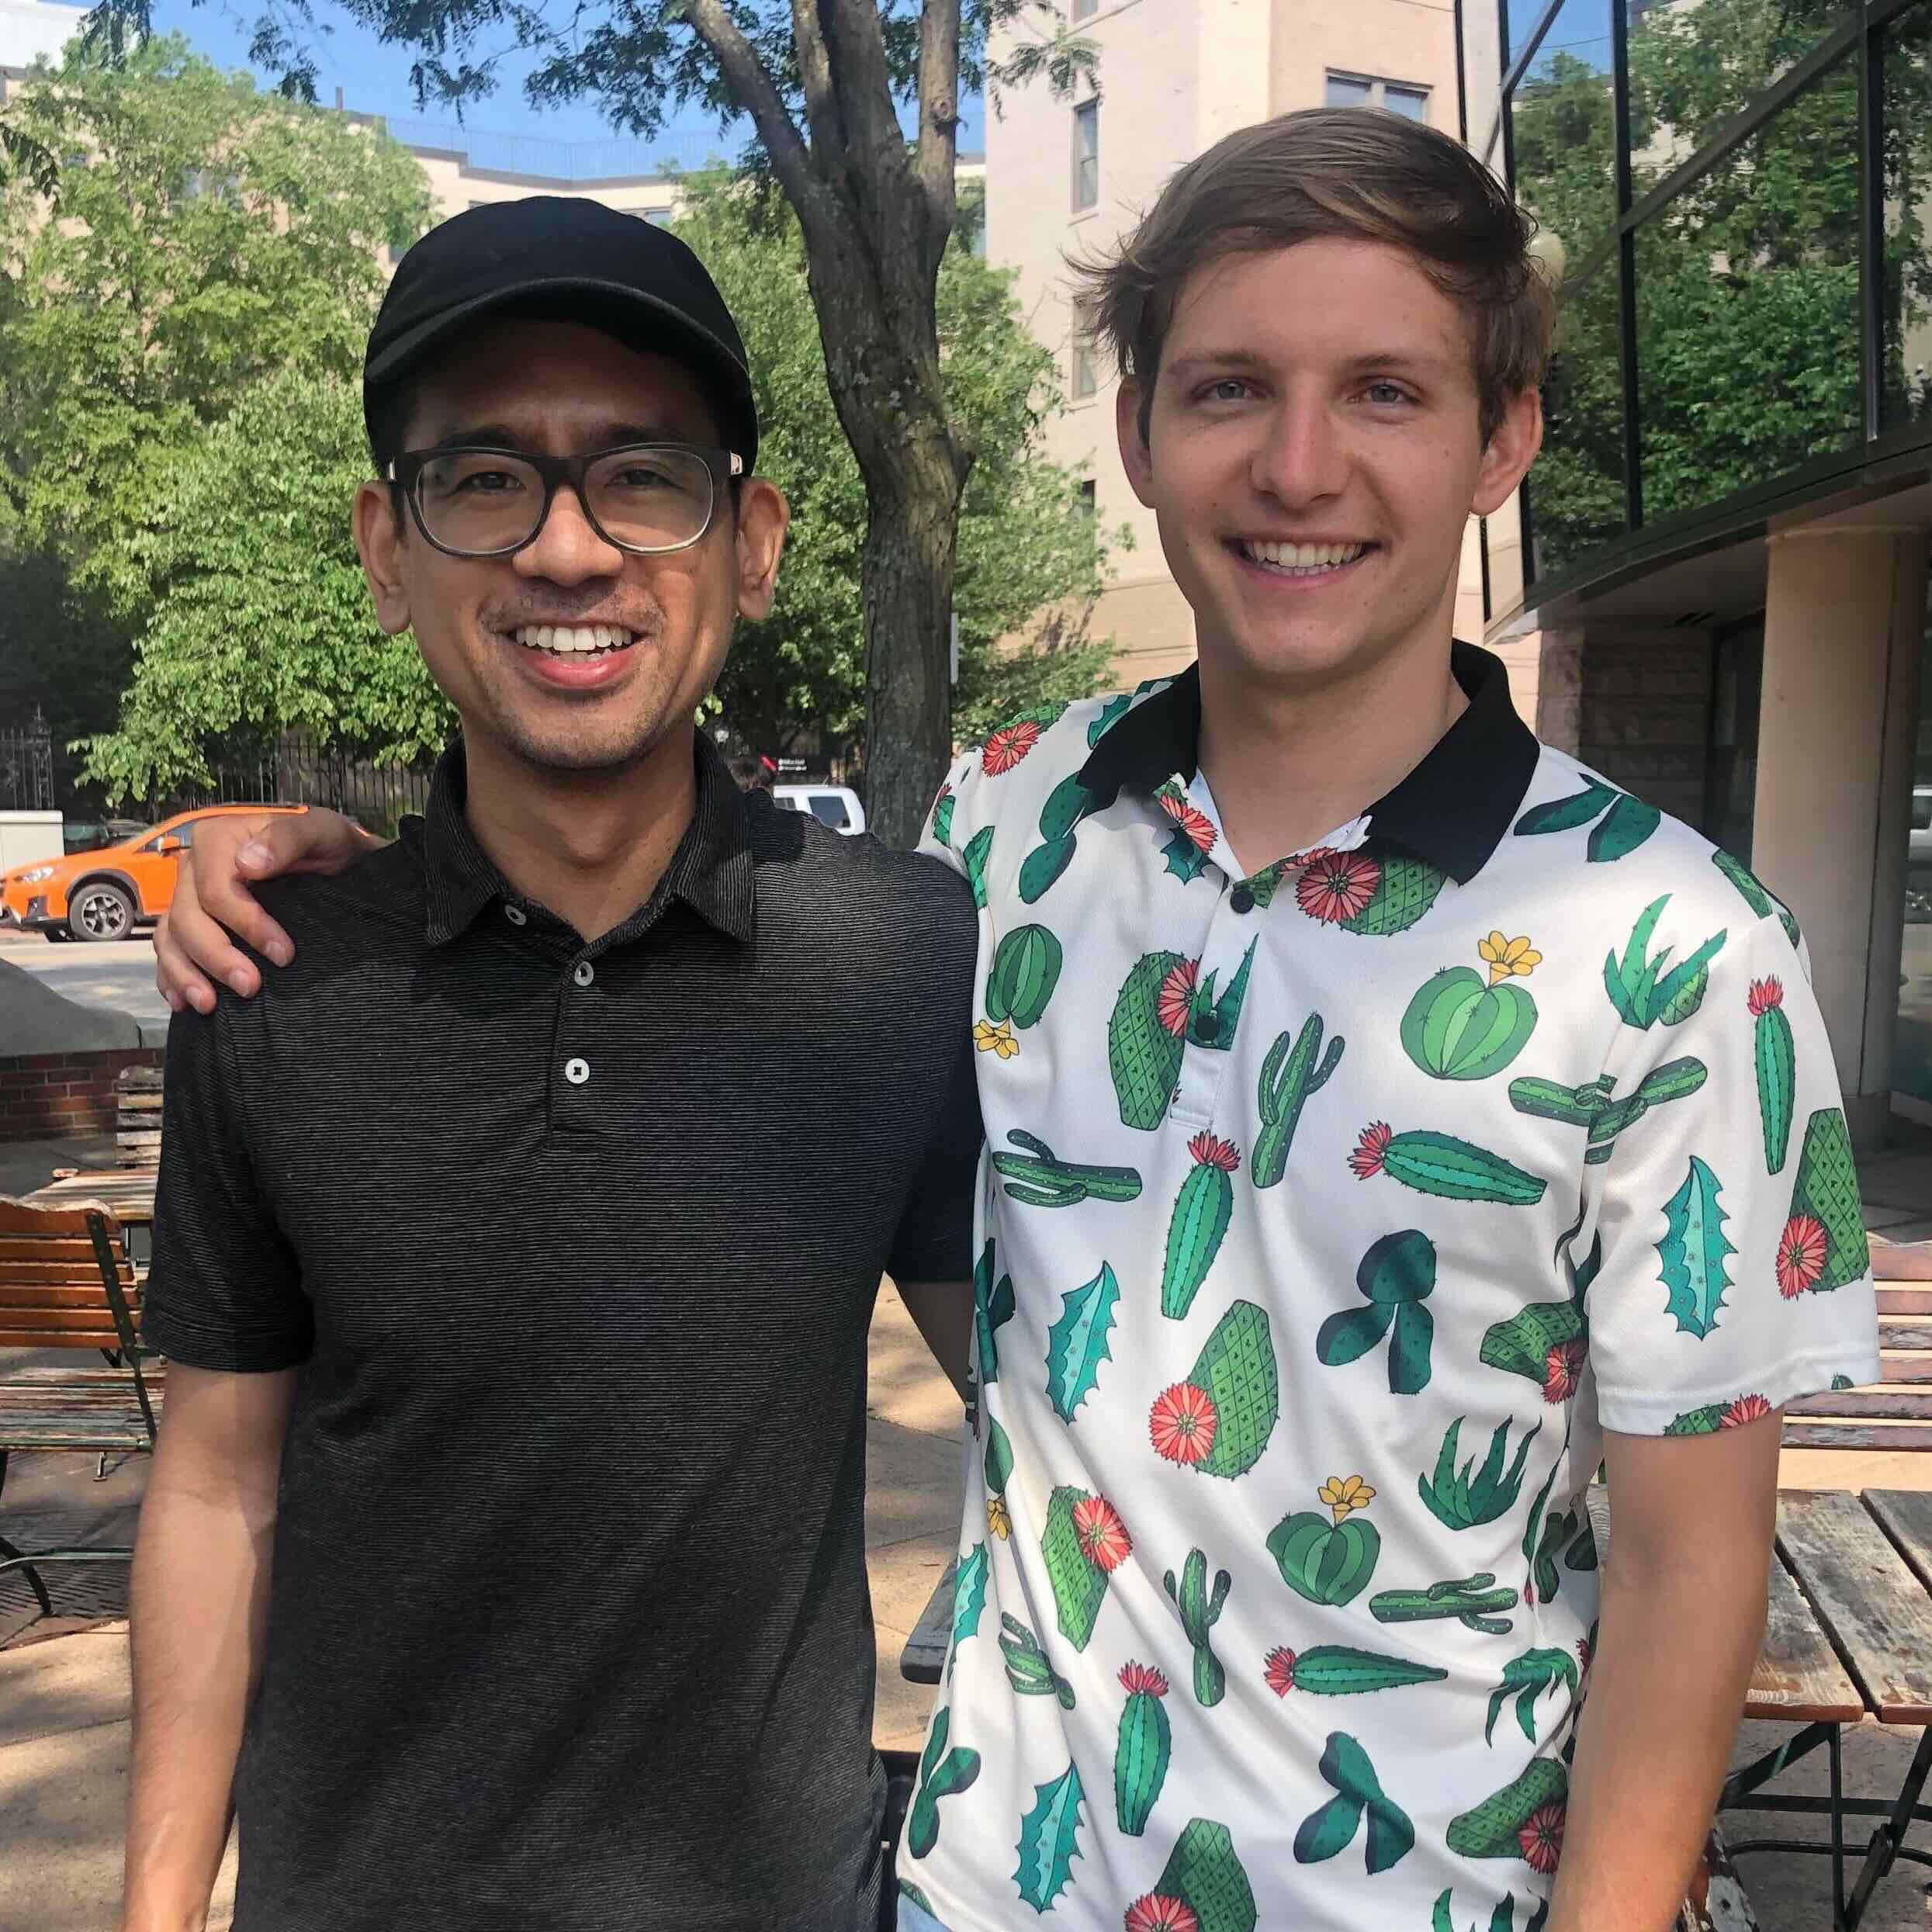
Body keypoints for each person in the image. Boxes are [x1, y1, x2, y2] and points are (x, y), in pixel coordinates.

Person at [161, 113, 1883, 1931]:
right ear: (1137, 434)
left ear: (1503, 439)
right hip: (999, 1885)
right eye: (1227, 390)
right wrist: (346, 876)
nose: (1299, 466)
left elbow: (1698, 1575)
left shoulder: (1685, 947)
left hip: (1438, 1894)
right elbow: (667, 899)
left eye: (1385, 391)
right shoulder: (995, 840)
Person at [124, 196, 981, 1932]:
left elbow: (1068, 1422)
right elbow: (217, 1485)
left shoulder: (902, 957)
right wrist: (154, 1910)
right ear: (386, 548)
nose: (570, 550)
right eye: (486, 478)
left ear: (754, 541)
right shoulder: (266, 979)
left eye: (643, 474)